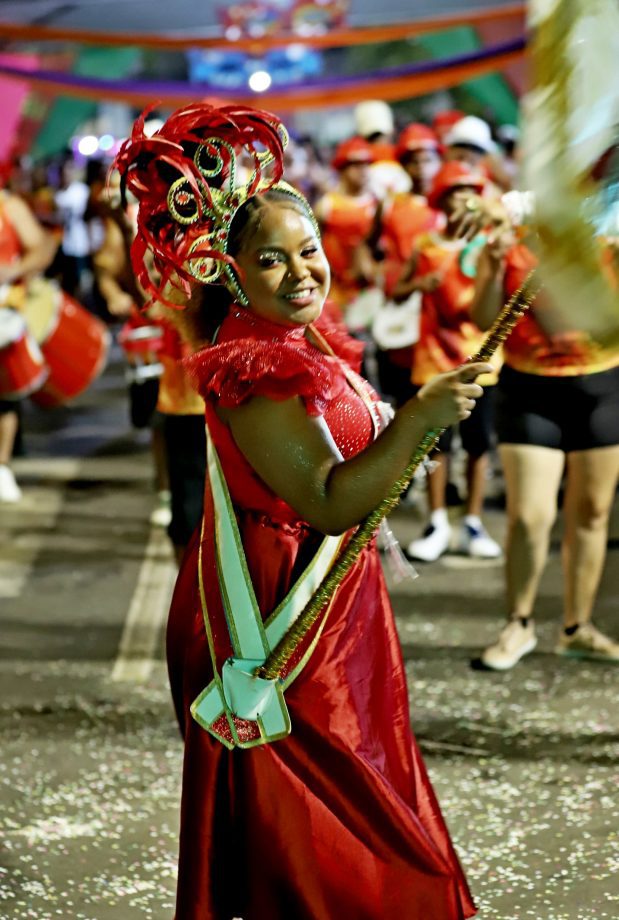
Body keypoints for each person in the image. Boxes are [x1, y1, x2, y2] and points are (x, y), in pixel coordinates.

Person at [115, 102, 489, 919]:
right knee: (335, 835)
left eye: (308, 252)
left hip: (327, 604)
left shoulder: (302, 342)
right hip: (280, 607)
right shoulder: (256, 365)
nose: (300, 274)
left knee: (353, 810)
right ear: (232, 270)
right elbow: (326, 501)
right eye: (271, 261)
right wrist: (421, 418)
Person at [472, 228, 619, 669]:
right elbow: (483, 320)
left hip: (603, 386)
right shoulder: (510, 238)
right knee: (530, 515)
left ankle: (578, 628)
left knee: (593, 513)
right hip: (530, 389)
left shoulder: (608, 236)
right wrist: (495, 266)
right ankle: (518, 624)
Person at [393, 162, 503, 562]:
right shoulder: (426, 246)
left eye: (469, 192)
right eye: (454, 193)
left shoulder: (491, 244)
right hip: (433, 360)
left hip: (481, 359)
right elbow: (398, 290)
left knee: (478, 444)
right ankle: (436, 520)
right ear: (441, 200)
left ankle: (473, 522)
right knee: (435, 443)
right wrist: (419, 284)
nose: (463, 201)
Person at [0, 188, 57, 502]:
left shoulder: (8, 205)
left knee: (4, 393)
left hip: (3, 313)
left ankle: (2, 465)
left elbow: (43, 246)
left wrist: (14, 271)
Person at [313, 136, 380, 312]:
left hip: (372, 291)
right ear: (342, 169)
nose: (363, 171)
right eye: (356, 165)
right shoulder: (326, 206)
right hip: (337, 291)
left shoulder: (378, 204)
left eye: (366, 165)